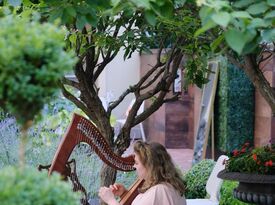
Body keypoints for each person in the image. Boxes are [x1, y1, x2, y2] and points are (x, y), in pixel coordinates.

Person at [98, 140, 186, 205]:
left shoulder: (159, 190)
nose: (134, 166)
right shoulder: (169, 186)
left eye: (136, 163)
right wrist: (124, 194)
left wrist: (110, 200)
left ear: (149, 166)